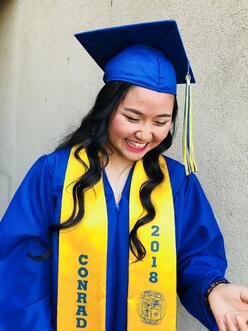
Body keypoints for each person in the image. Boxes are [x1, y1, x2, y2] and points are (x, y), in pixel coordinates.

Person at [0, 20, 247, 331]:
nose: (144, 133)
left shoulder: (177, 183)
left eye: (161, 121)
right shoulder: (53, 174)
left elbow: (194, 256)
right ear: (107, 109)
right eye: (132, 117)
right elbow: (20, 270)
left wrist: (214, 288)